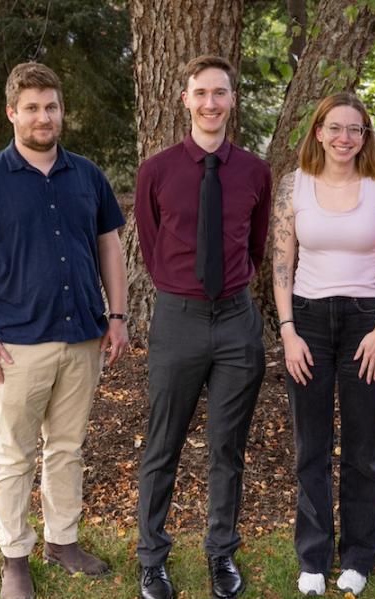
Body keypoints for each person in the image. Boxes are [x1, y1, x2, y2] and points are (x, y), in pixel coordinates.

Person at [0, 62, 129, 599]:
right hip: (15, 346)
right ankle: (15, 556)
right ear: (12, 113)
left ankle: (63, 540)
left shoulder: (87, 176)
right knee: (15, 454)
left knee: (68, 447)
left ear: (61, 111)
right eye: (31, 108)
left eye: (51, 106)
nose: (43, 116)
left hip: (82, 339)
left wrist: (116, 317)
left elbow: (110, 248)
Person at [134, 55, 271, 599]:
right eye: (201, 94)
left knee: (226, 448)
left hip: (237, 322)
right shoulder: (157, 171)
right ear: (184, 100)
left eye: (220, 93)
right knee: (163, 444)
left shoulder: (255, 171)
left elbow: (256, 246)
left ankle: (221, 553)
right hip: (179, 319)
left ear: (231, 100)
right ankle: (152, 559)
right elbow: (149, 245)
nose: (210, 103)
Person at [271, 92, 375, 597]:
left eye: (355, 129)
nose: (344, 138)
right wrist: (287, 331)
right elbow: (281, 264)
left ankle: (357, 556)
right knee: (310, 446)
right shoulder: (294, 186)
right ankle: (313, 557)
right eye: (335, 128)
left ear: (365, 136)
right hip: (305, 319)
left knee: (362, 449)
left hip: (364, 323)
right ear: (319, 132)